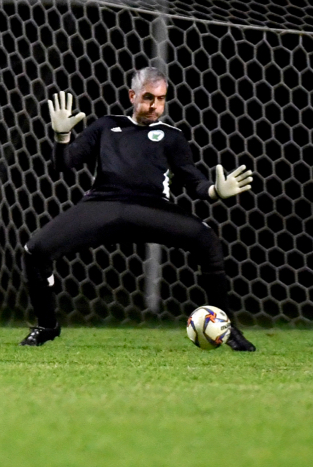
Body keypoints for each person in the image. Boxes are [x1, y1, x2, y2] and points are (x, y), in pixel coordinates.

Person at [20, 66, 256, 350]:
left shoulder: (171, 136)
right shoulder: (106, 126)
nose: (155, 105)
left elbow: (192, 180)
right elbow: (64, 164)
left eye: (161, 98)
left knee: (206, 239)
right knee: (35, 250)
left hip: (152, 208)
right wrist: (62, 137)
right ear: (132, 96)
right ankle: (47, 326)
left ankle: (227, 328)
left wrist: (215, 191)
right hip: (104, 204)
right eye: (148, 97)